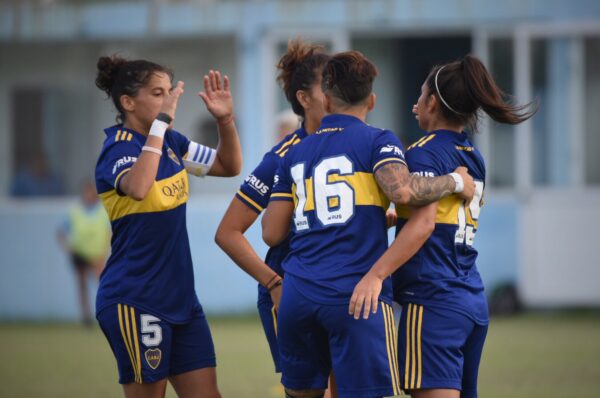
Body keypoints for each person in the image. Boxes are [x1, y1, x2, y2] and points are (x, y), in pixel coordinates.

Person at [262, 51, 475, 398]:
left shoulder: (294, 153)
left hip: (298, 296)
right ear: (372, 100)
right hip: (356, 296)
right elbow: (404, 191)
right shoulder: (379, 140)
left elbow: (271, 232)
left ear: (326, 99)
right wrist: (454, 181)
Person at [352, 55, 536, 398]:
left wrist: (375, 275)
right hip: (470, 301)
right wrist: (397, 219)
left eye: (420, 97)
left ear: (433, 102)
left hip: (433, 302)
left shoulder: (423, 153)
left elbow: (423, 227)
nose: (414, 106)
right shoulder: (472, 155)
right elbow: (444, 221)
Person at [94, 55, 241, 398]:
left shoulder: (173, 144)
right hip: (136, 299)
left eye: (168, 92)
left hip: (182, 300)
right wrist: (160, 126)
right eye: (158, 93)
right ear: (128, 102)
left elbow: (228, 165)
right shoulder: (117, 149)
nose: (169, 101)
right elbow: (138, 187)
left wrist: (225, 121)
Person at [213, 39, 338, 396]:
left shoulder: (358, 143)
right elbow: (228, 232)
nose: (337, 93)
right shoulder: (283, 156)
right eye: (327, 85)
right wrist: (274, 283)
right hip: (296, 294)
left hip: (344, 292)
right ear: (304, 98)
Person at [57, 179, 111, 326]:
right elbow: (61, 232)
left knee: (103, 284)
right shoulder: (75, 211)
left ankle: (105, 314)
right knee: (82, 285)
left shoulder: (102, 210)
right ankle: (86, 316)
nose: (90, 194)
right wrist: (68, 247)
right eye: (87, 191)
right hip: (80, 253)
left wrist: (105, 251)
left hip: (97, 255)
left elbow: (108, 232)